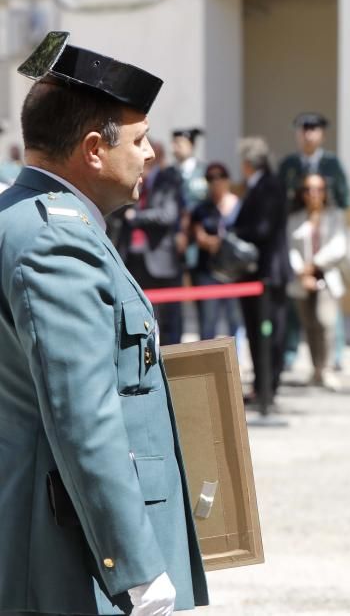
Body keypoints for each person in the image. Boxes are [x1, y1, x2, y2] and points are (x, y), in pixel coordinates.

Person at [0, 31, 207, 614]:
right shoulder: (56, 239)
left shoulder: (30, 219)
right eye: (140, 141)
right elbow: (82, 417)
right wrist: (137, 571)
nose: (151, 155)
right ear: (94, 150)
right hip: (70, 554)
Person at [232, 136, 291, 401]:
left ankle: (268, 386)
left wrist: (234, 232)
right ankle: (261, 384)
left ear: (247, 163)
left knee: (270, 332)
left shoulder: (269, 186)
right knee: (256, 332)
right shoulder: (259, 186)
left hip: (268, 272)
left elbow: (263, 228)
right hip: (256, 273)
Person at [114, 139, 185, 345]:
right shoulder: (130, 181)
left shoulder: (167, 181)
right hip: (133, 258)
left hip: (160, 261)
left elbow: (167, 215)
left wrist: (136, 217)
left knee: (168, 322)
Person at [286, 173, 347, 389]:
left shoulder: (335, 216)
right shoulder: (295, 218)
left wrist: (314, 264)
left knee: (326, 322)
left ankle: (328, 368)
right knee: (309, 325)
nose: (314, 194)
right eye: (309, 189)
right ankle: (316, 369)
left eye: (319, 189)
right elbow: (290, 248)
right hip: (303, 280)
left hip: (326, 278)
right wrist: (303, 272)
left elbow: (339, 246)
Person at [189, 161, 243, 340]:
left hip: (234, 272)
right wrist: (218, 242)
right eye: (211, 178)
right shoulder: (201, 208)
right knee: (208, 319)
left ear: (227, 180)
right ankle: (208, 363)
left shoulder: (239, 206)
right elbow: (199, 236)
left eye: (220, 177)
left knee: (234, 318)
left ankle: (236, 359)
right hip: (208, 270)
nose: (216, 181)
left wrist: (219, 242)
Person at [278, 112, 349, 213]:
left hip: (326, 219)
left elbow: (343, 196)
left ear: (323, 135)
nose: (308, 135)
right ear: (297, 135)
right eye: (304, 130)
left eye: (313, 129)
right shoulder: (288, 164)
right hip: (295, 219)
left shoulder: (332, 163)